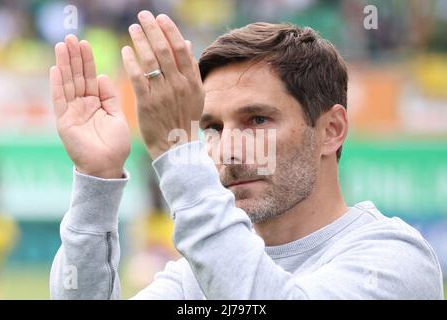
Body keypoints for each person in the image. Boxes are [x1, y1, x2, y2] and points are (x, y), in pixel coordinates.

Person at [49, 11, 443, 299]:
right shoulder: (193, 278)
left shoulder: (394, 260)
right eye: (213, 129)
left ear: (331, 131)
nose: (229, 152)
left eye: (257, 120)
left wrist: (178, 153)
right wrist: (96, 180)